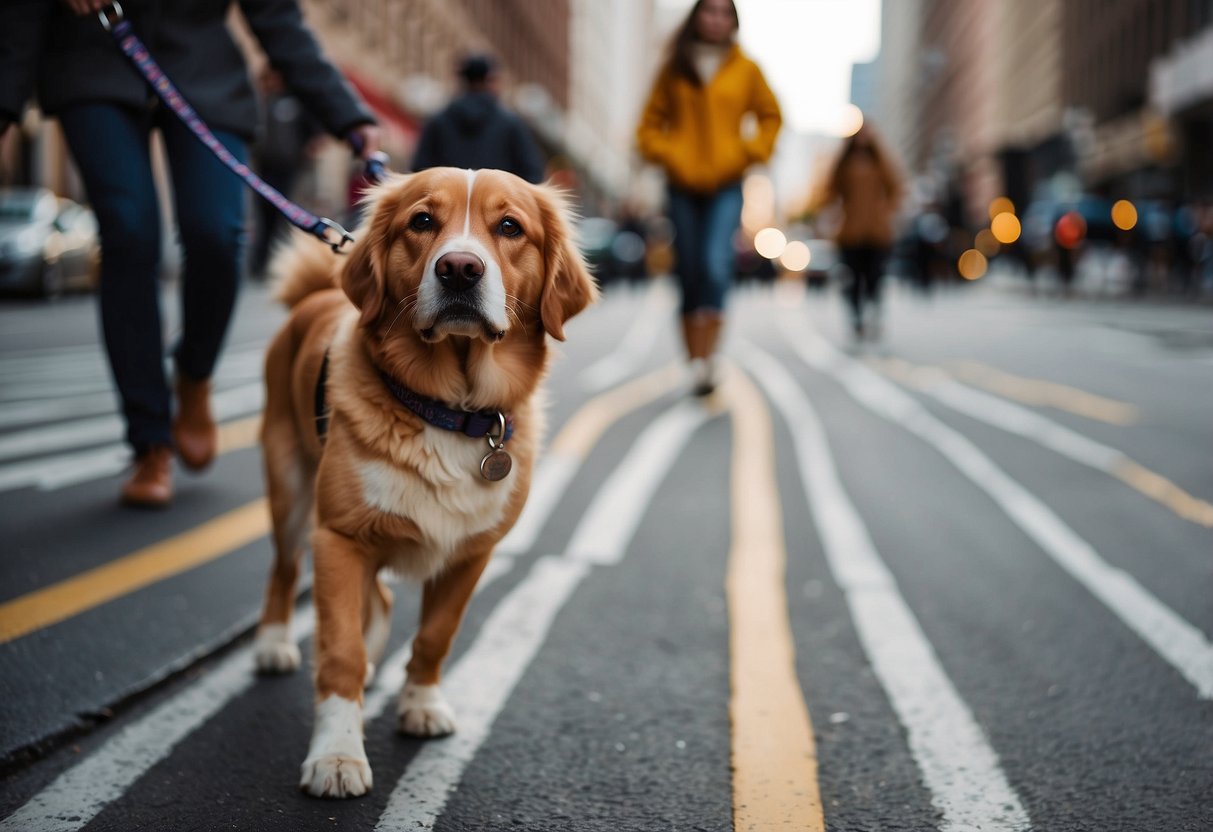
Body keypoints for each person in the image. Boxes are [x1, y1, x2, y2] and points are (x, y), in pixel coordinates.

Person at [0, 0, 380, 507]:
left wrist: (347, 115)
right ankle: (149, 442)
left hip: (204, 73)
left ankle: (194, 371)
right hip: (91, 57)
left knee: (217, 233)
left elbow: (278, 20)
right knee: (128, 234)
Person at [635, 0, 781, 396]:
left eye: (724, 13)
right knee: (689, 269)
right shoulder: (674, 67)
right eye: (709, 11)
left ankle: (710, 358)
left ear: (733, 21)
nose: (716, 19)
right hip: (682, 185)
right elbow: (648, 126)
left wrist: (748, 152)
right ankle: (695, 359)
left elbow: (771, 116)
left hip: (727, 184)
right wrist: (669, 153)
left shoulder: (746, 68)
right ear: (697, 17)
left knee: (716, 264)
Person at [821, 123, 904, 339]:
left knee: (875, 276)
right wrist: (834, 211)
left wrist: (885, 211)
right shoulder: (844, 165)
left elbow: (896, 188)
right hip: (851, 231)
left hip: (877, 232)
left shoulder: (880, 163)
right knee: (853, 277)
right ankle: (857, 316)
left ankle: (874, 312)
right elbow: (829, 190)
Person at [411, 53, 545, 184]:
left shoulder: (437, 121)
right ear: (489, 79)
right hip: (495, 202)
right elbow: (532, 172)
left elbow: (419, 170)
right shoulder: (511, 123)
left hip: (448, 203)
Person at [248, 65, 322, 278]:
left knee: (283, 216)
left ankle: (277, 262)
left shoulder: (295, 101)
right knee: (263, 215)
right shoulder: (261, 100)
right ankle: (258, 263)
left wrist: (309, 147)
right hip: (263, 167)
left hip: (289, 168)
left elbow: (314, 130)